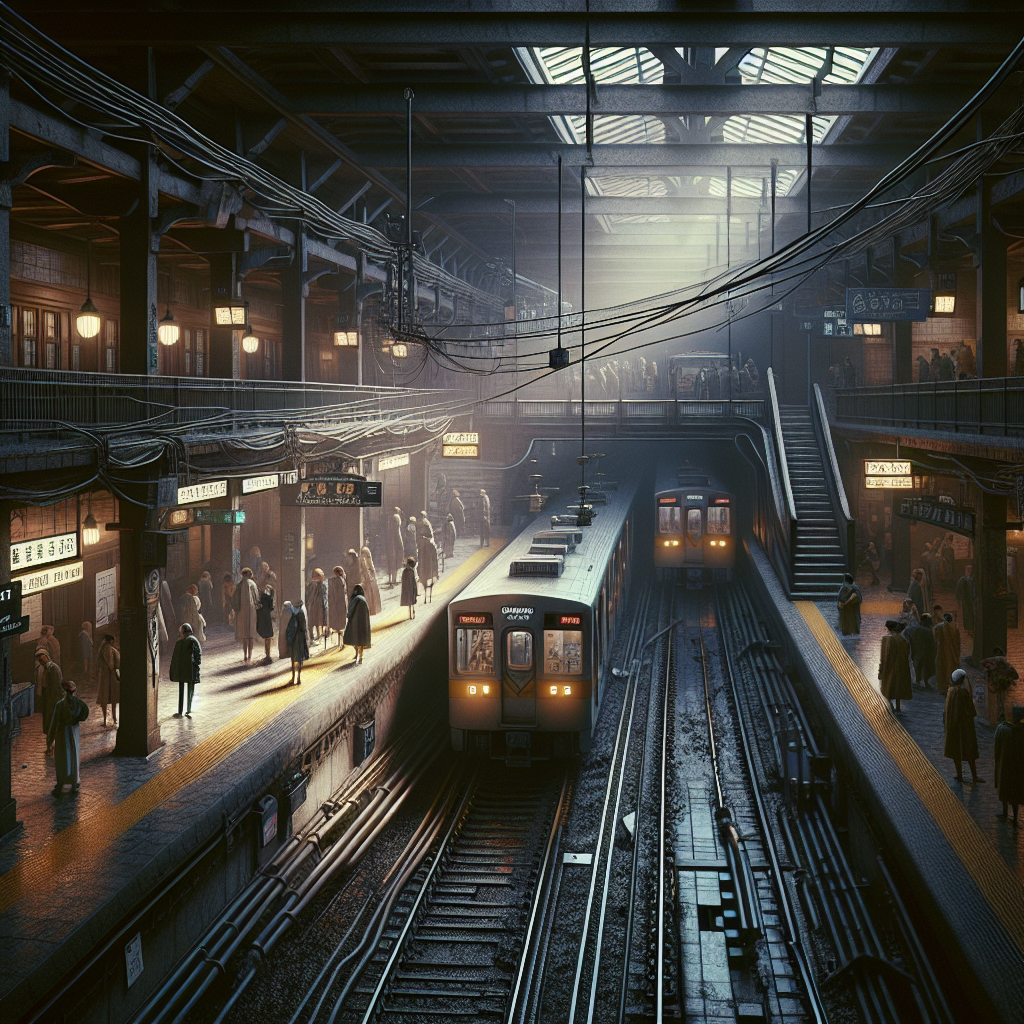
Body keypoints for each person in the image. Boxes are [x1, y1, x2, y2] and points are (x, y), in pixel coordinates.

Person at [47, 678, 89, 797]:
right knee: (74, 754)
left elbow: (54, 723)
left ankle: (62, 781)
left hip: (61, 733)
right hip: (73, 732)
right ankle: (74, 781)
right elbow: (85, 713)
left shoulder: (60, 705)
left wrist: (49, 739)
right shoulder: (79, 703)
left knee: (62, 756)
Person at [944, 669, 983, 783]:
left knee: (955, 751)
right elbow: (971, 711)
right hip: (965, 727)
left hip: (953, 727)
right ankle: (974, 776)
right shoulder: (963, 693)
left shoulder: (950, 691)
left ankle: (959, 775)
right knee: (969, 750)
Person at [994, 706, 1024, 823]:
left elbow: (997, 749)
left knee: (1005, 788)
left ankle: (1005, 812)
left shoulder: (1004, 729)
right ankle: (1015, 818)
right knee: (1016, 791)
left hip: (1006, 765)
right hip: (1019, 767)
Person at [878, 620, 913, 712]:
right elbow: (907, 654)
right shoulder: (904, 640)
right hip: (902, 667)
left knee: (889, 686)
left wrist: (881, 669)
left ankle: (890, 704)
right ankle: (898, 706)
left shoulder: (888, 640)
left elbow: (885, 656)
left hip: (890, 666)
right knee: (899, 687)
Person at [169, 622, 202, 718]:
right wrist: (196, 665)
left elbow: (175, 659)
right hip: (191, 671)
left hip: (181, 672)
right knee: (190, 690)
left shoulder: (179, 643)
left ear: (182, 633)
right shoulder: (194, 640)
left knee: (181, 691)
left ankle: (180, 711)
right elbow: (198, 655)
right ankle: (188, 710)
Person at [980, 648, 1019, 722]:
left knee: (1001, 703)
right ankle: (999, 717)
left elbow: (1015, 676)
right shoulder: (996, 667)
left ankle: (1001, 717)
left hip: (1001, 686)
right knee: (998, 704)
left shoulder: (1003, 666)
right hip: (997, 687)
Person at [233, 566, 260, 663]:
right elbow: (256, 598)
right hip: (251, 611)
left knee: (244, 635)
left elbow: (235, 599)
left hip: (241, 612)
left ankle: (245, 655)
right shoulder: (252, 584)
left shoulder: (239, 585)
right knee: (250, 634)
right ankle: (250, 655)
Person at [36, 649, 63, 739]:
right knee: (48, 719)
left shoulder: (53, 668)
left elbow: (56, 685)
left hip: (54, 697)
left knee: (53, 718)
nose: (40, 660)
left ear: (46, 656)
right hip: (47, 697)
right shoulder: (42, 668)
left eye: (42, 657)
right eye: (39, 658)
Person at [906, 613, 937, 688]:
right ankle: (922, 681)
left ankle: (920, 681)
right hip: (922, 651)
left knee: (920, 666)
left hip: (919, 651)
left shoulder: (914, 629)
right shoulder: (924, 630)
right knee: (922, 666)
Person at [96, 633, 120, 727]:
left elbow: (99, 664)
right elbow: (115, 664)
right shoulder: (113, 650)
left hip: (104, 676)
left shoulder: (101, 650)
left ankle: (105, 720)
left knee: (104, 698)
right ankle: (114, 718)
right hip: (112, 676)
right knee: (113, 697)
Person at [343, 585, 372, 664]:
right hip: (363, 624)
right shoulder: (363, 599)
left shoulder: (355, 599)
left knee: (355, 639)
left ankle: (356, 655)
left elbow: (350, 611)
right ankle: (360, 657)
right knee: (361, 641)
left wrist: (349, 616)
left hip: (355, 623)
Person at [934, 611, 962, 692]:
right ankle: (950, 687)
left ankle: (942, 688)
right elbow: (957, 643)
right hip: (951, 653)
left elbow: (935, 639)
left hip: (941, 652)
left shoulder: (938, 627)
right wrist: (956, 655)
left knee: (941, 669)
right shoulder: (954, 628)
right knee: (950, 669)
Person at [284, 599, 310, 684]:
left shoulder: (292, 614)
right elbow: (303, 627)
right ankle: (298, 678)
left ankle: (293, 677)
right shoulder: (301, 613)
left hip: (294, 639)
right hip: (300, 639)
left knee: (293, 658)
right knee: (299, 659)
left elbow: (289, 628)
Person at [256, 573, 277, 664]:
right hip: (266, 614)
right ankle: (267, 655)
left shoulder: (267, 589)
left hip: (264, 614)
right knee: (267, 635)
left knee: (267, 635)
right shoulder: (269, 589)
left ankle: (268, 655)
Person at [306, 567, 329, 642]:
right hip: (314, 605)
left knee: (319, 620)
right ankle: (312, 636)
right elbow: (310, 596)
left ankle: (319, 635)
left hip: (320, 605)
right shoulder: (313, 585)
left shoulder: (322, 584)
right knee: (313, 621)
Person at [328, 566, 348, 649]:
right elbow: (342, 594)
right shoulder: (340, 580)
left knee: (338, 625)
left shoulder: (332, 580)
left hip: (335, 605)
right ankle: (341, 642)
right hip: (340, 605)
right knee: (341, 625)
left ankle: (339, 642)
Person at [359, 546, 383, 616]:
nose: (365, 555)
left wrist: (372, 575)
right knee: (367, 594)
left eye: (366, 553)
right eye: (364, 553)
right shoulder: (361, 560)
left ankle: (373, 610)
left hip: (371, 579)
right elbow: (360, 570)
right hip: (365, 579)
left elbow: (372, 569)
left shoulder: (369, 560)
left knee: (372, 594)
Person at [955, 564, 976, 635]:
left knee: (973, 614)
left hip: (973, 600)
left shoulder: (973, 579)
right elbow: (958, 591)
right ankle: (968, 629)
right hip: (966, 600)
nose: (968, 571)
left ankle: (972, 628)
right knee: (967, 614)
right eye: (967, 570)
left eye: (970, 570)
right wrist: (959, 600)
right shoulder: (962, 580)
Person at [386, 509, 405, 587]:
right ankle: (393, 580)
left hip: (392, 544)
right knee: (395, 562)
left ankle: (392, 579)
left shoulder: (391, 521)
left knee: (393, 562)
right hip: (395, 545)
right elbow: (397, 536)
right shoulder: (395, 520)